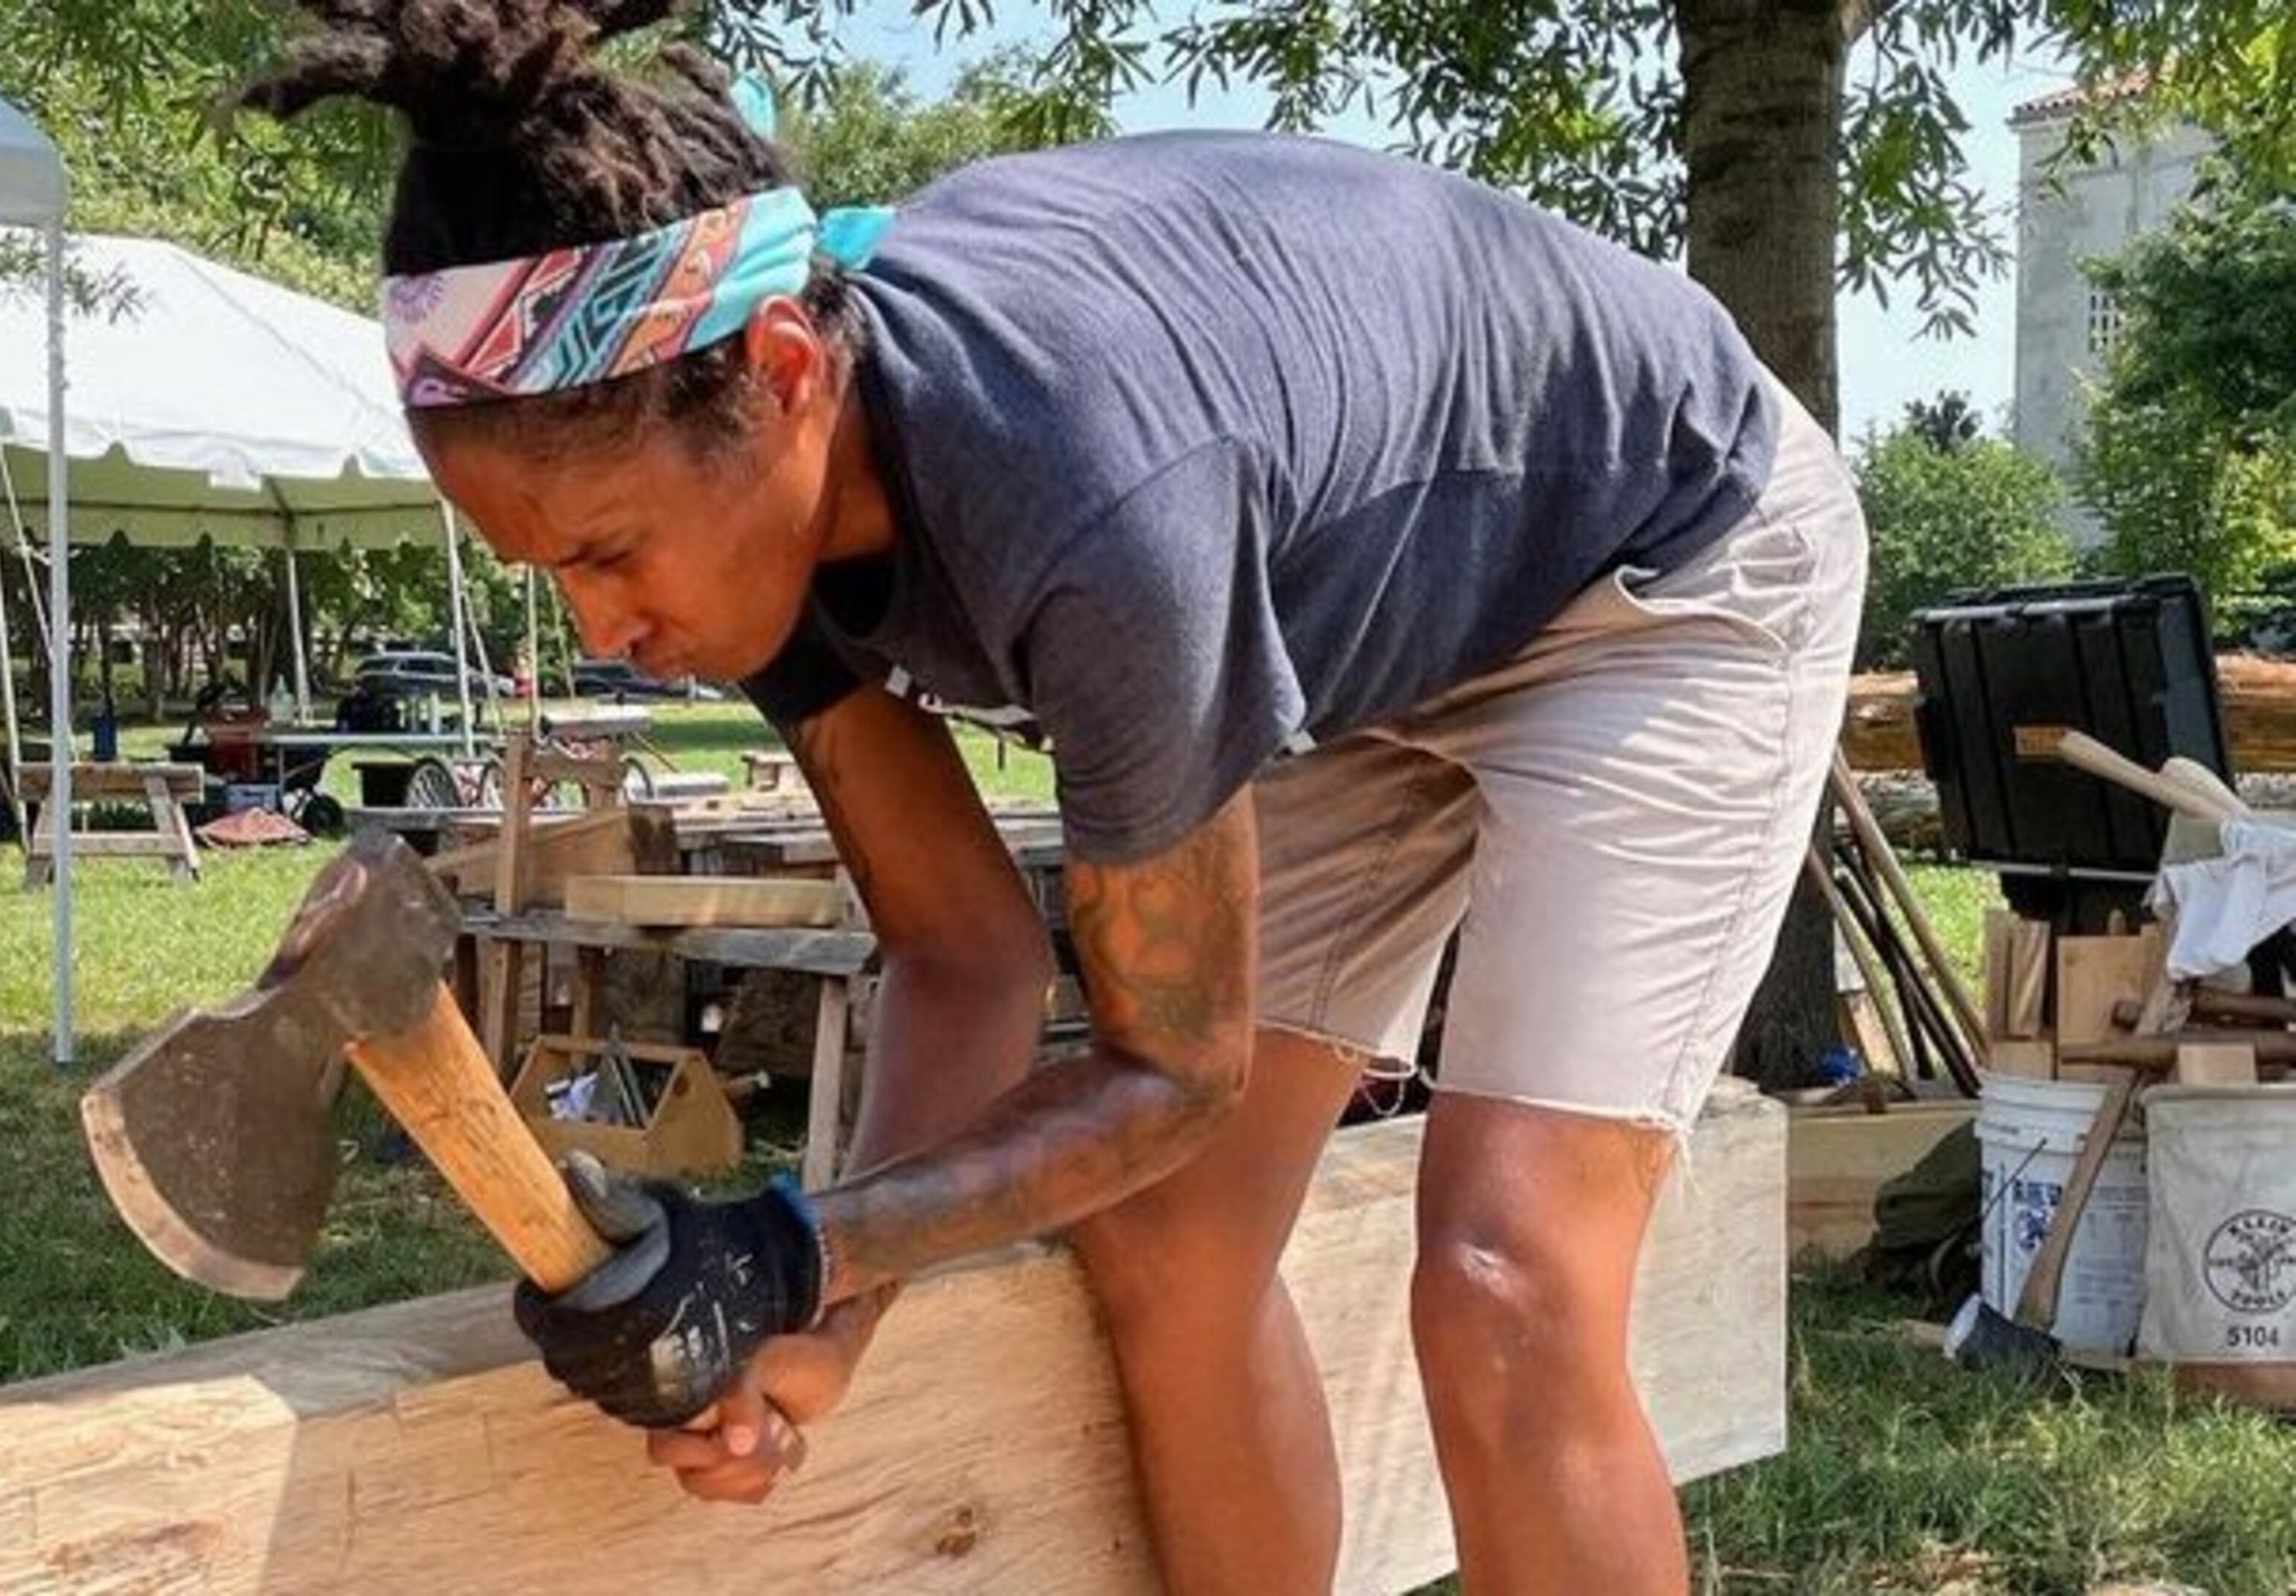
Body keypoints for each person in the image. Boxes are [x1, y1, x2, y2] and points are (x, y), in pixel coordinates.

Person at [250, 4, 1866, 1592]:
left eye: (607, 553)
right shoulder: (742, 514)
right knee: (1166, 1245)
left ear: (790, 370)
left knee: (1508, 1280)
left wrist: (800, 1247)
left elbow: (1175, 1071)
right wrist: (823, 1311)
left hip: (1662, 553)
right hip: (1353, 614)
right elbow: (967, 958)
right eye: (547, 573)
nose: (605, 632)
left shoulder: (1090, 500)